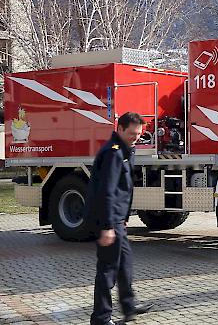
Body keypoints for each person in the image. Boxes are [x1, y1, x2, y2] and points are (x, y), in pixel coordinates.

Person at [87, 112, 153, 325]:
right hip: (107, 220)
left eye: (139, 134)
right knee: (107, 270)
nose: (136, 137)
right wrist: (107, 226)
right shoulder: (113, 153)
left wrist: (122, 218)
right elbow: (107, 191)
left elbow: (122, 190)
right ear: (120, 128)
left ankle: (129, 304)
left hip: (116, 219)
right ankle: (101, 318)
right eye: (132, 133)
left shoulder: (124, 150)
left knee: (125, 264)